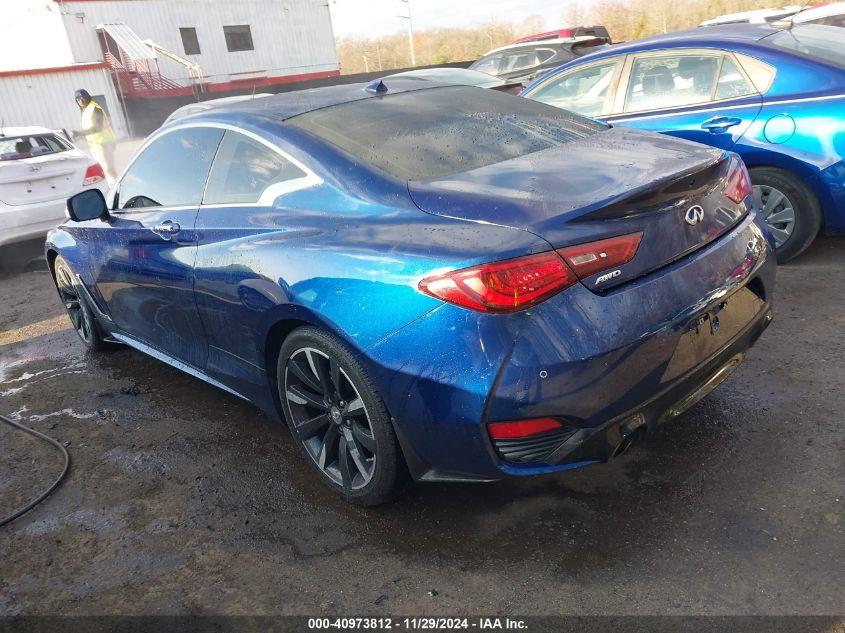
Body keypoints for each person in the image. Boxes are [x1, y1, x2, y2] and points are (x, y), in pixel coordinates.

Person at [74, 89, 117, 181]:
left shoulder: (94, 108)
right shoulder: (85, 111)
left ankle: (117, 192)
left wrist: (81, 133)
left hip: (104, 144)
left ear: (86, 98)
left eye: (81, 99)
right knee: (104, 172)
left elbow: (98, 128)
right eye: (77, 100)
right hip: (95, 145)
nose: (80, 101)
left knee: (109, 171)